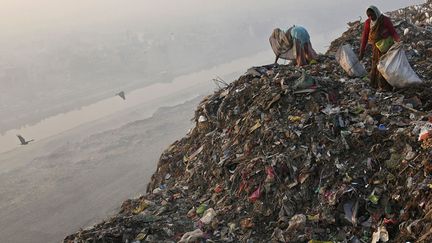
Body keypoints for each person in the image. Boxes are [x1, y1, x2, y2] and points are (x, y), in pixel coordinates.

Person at [359, 5, 400, 90]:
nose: (371, 17)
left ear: (376, 12)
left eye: (372, 14)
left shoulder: (384, 20)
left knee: (386, 66)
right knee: (376, 66)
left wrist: (399, 42)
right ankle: (376, 85)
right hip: (376, 48)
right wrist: (361, 52)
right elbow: (365, 37)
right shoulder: (368, 23)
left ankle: (386, 86)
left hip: (387, 47)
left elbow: (393, 32)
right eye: (369, 15)